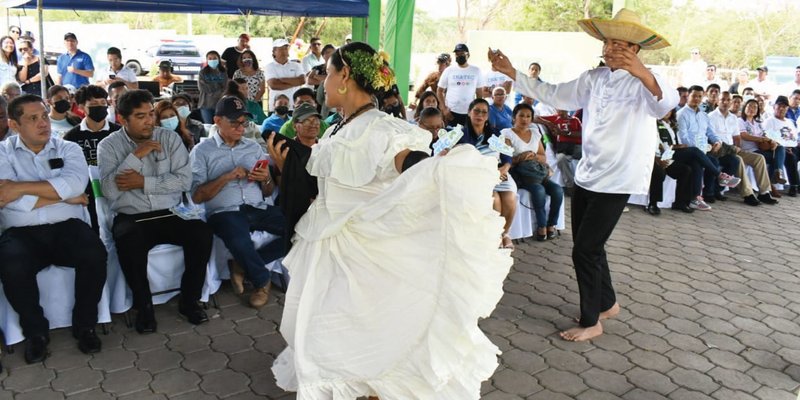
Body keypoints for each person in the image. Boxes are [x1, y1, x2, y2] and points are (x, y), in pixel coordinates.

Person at [270, 41, 512, 399]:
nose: (323, 82)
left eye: (329, 74)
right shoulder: (338, 126)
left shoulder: (382, 128)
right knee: (325, 336)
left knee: (359, 339)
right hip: (329, 245)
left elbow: (406, 159)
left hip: (364, 252)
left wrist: (436, 167)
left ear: (345, 76)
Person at [490, 8, 678, 341]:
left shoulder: (645, 84)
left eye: (620, 44)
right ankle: (607, 302)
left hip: (620, 176)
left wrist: (643, 73)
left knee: (585, 251)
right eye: (608, 42)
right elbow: (553, 93)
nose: (610, 49)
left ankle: (592, 321)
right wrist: (511, 72)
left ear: (635, 50)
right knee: (590, 246)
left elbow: (665, 104)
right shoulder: (594, 78)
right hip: (588, 173)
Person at [0, 94, 107, 363]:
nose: (43, 123)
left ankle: (85, 325)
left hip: (66, 227)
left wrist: (20, 187)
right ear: (14, 125)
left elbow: (74, 184)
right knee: (11, 264)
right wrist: (65, 197)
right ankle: (36, 333)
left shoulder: (68, 148)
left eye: (44, 116)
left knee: (94, 253)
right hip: (21, 233)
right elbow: (7, 202)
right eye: (33, 118)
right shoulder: (2, 153)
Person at [97, 89, 213, 333]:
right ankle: (144, 306)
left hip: (170, 212)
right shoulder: (108, 146)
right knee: (129, 242)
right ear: (123, 119)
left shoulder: (169, 139)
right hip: (132, 216)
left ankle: (189, 300)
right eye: (140, 116)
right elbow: (109, 191)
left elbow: (183, 181)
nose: (150, 120)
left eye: (151, 114)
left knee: (201, 234)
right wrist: (135, 156)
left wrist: (142, 183)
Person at [191, 96, 285, 308]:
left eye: (243, 122)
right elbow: (197, 196)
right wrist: (227, 177)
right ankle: (262, 281)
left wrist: (266, 179)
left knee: (300, 227)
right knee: (238, 237)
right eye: (234, 122)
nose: (240, 127)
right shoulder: (202, 151)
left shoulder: (252, 148)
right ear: (217, 120)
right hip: (224, 211)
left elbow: (268, 190)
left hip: (257, 207)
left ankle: (242, 266)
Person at [458, 98, 517, 248]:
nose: (480, 115)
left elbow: (507, 156)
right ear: (469, 112)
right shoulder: (461, 133)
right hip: (477, 175)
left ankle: (505, 234)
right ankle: (494, 236)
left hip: (499, 172)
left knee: (510, 198)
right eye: (476, 111)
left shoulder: (494, 134)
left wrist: (505, 168)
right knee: (494, 199)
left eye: (484, 112)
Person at [63, 85, 121, 232]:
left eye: (103, 103)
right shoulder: (71, 137)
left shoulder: (119, 132)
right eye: (94, 105)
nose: (100, 108)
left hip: (117, 192)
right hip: (86, 197)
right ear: (82, 107)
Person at [503, 103, 562, 241]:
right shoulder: (507, 134)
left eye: (528, 116)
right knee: (538, 190)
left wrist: (534, 156)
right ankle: (541, 226)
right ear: (514, 117)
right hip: (521, 174)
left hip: (537, 172)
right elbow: (504, 158)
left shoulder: (535, 133)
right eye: (521, 116)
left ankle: (551, 224)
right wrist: (519, 158)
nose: (525, 119)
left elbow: (543, 156)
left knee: (557, 190)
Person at [677, 85, 741, 205]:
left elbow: (710, 132)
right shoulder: (682, 114)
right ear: (688, 96)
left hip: (702, 150)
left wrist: (717, 142)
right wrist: (700, 148)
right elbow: (683, 138)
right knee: (698, 158)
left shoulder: (703, 115)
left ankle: (708, 193)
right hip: (686, 150)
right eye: (694, 96)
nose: (697, 99)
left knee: (717, 160)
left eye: (699, 96)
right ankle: (718, 178)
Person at [709, 91, 777, 205]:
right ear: (717, 101)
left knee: (759, 158)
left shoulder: (733, 118)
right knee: (738, 160)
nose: (725, 102)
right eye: (722, 100)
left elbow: (736, 137)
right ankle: (748, 194)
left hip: (733, 149)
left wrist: (738, 148)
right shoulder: (711, 117)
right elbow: (711, 138)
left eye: (728, 100)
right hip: (719, 150)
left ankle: (764, 192)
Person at [739, 98, 787, 199]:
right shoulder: (740, 121)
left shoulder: (758, 123)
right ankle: (771, 186)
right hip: (748, 150)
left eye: (755, 107)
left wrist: (772, 142)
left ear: (757, 111)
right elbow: (744, 136)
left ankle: (778, 172)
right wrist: (761, 139)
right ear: (745, 108)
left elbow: (765, 135)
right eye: (749, 106)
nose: (752, 109)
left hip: (760, 150)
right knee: (773, 159)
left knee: (780, 148)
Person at [652, 111, 695, 213]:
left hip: (663, 155)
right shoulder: (653, 123)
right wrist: (657, 159)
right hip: (650, 157)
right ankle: (653, 204)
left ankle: (680, 202)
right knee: (659, 173)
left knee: (686, 169)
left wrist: (664, 155)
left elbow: (661, 144)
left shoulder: (670, 125)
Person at [437, 43, 485, 127]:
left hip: (470, 113)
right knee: (451, 136)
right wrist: (443, 109)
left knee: (468, 137)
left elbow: (479, 92)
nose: (459, 56)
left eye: (462, 54)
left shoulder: (476, 70)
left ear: (468, 54)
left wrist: (478, 110)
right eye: (457, 54)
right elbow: (440, 90)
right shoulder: (449, 70)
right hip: (451, 113)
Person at [763, 95, 800, 196]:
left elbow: (795, 137)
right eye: (779, 106)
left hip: (794, 146)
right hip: (779, 148)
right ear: (774, 107)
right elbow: (769, 137)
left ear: (787, 108)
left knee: (794, 153)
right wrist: (784, 146)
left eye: (784, 106)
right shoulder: (769, 121)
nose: (781, 108)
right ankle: (794, 186)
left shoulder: (790, 122)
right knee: (791, 157)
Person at [541, 109, 582, 190]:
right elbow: (535, 118)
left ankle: (584, 184)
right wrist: (548, 123)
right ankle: (571, 186)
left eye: (563, 109)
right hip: (563, 148)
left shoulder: (575, 120)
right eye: (559, 109)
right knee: (560, 159)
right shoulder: (555, 118)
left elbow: (581, 133)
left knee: (588, 156)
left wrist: (565, 133)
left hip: (576, 146)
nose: (561, 112)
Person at [265, 39, 304, 111]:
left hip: (294, 106)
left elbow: (302, 80)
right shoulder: (269, 66)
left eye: (285, 48)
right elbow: (273, 85)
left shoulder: (296, 65)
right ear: (274, 52)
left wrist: (282, 80)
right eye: (280, 49)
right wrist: (294, 83)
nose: (283, 51)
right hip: (276, 107)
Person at [198, 50, 228, 124]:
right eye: (210, 58)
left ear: (218, 59)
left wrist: (210, 86)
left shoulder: (223, 72)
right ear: (207, 60)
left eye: (214, 58)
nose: (212, 60)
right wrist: (217, 86)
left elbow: (225, 88)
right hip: (205, 104)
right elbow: (202, 88)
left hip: (220, 105)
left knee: (219, 126)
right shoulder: (202, 72)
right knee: (208, 126)